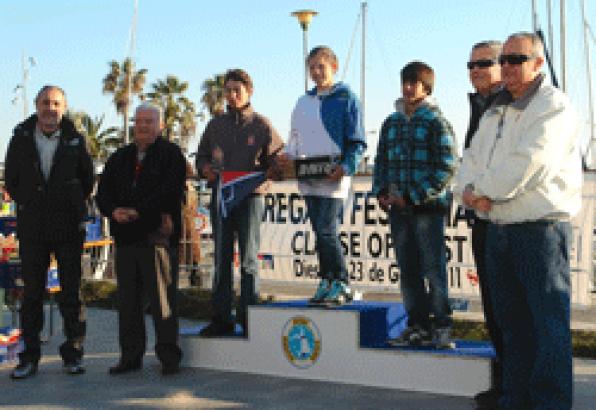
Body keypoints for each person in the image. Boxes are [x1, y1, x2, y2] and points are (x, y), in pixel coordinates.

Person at [456, 32, 582, 409]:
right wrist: (469, 191)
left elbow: (530, 163)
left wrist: (482, 193)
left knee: (547, 329)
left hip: (538, 231)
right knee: (513, 329)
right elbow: (470, 161)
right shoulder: (495, 108)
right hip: (499, 230)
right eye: (504, 59)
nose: (507, 66)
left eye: (517, 59)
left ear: (538, 63)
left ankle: (549, 403)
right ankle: (515, 399)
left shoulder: (552, 106)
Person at [4, 85, 94, 379]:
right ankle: (29, 358)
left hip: (67, 227)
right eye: (45, 102)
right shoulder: (20, 138)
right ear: (36, 105)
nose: (50, 108)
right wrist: (30, 201)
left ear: (64, 108)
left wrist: (68, 201)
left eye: (56, 103)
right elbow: (12, 181)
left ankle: (73, 354)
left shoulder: (75, 140)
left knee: (71, 293)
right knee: (32, 295)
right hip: (32, 228)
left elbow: (87, 180)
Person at [97, 103, 186, 375]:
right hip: (125, 240)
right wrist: (113, 211)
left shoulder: (171, 155)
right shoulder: (119, 157)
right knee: (128, 304)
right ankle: (130, 357)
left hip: (156, 238)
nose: (143, 125)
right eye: (139, 121)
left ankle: (168, 358)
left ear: (160, 125)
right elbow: (103, 194)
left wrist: (139, 211)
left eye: (149, 121)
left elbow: (169, 193)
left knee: (162, 302)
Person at [372, 61, 457, 348]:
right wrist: (381, 191)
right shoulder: (391, 122)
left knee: (433, 271)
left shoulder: (437, 121)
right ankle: (417, 325)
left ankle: (442, 326)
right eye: (405, 82)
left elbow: (446, 167)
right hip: (398, 211)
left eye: (414, 82)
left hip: (427, 210)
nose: (408, 88)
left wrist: (412, 196)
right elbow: (381, 161)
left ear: (426, 87)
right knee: (408, 272)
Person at [196, 68, 283, 337]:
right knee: (221, 258)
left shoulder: (262, 125)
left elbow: (277, 163)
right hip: (222, 199)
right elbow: (200, 157)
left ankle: (249, 319)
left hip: (250, 200)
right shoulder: (215, 125)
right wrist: (205, 169)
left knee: (248, 260)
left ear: (249, 92)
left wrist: (272, 171)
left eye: (238, 90)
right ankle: (221, 318)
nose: (232, 95)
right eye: (229, 90)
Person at [287, 46, 366, 305]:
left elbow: (358, 141)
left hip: (334, 179)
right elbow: (294, 140)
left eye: (321, 66)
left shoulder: (347, 98)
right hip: (309, 177)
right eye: (312, 67)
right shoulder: (302, 102)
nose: (316, 72)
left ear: (334, 66)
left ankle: (342, 282)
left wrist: (346, 167)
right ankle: (327, 280)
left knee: (327, 230)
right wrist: (286, 161)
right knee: (318, 231)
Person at [464, 40, 505, 407]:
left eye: (483, 64)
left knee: (511, 307)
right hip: (480, 218)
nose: (476, 70)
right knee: (492, 304)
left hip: (505, 218)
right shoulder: (478, 105)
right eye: (471, 65)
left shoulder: (510, 104)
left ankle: (516, 384)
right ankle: (504, 381)